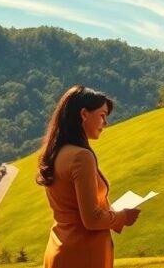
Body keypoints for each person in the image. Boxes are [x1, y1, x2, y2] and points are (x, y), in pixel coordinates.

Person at [37, 86, 141, 268]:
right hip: (82, 255)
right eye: (102, 115)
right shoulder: (81, 157)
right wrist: (123, 217)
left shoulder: (56, 153)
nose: (105, 123)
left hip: (59, 248)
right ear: (84, 114)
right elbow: (91, 219)